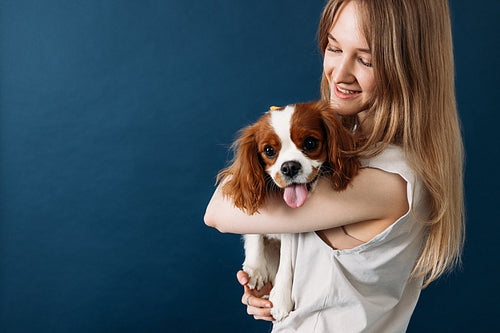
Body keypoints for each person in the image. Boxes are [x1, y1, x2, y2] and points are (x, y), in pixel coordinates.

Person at [204, 0, 464, 331]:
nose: (339, 74)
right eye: (334, 47)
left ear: (410, 67)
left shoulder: (392, 179)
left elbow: (218, 211)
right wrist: (284, 285)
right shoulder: (345, 148)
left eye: (366, 60)